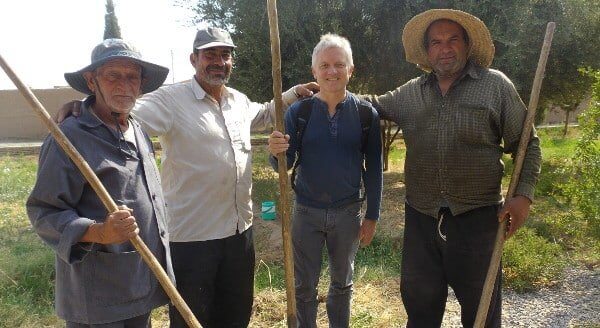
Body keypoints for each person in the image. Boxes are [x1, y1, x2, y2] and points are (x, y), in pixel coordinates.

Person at [57, 27, 318, 328]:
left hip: (238, 234)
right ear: (193, 59)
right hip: (191, 240)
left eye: (225, 55)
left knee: (236, 314)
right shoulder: (170, 100)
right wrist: (85, 106)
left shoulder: (238, 101)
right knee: (191, 319)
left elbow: (266, 113)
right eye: (210, 54)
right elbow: (123, 111)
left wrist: (294, 93)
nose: (219, 62)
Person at [363, 9, 542, 328]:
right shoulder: (411, 93)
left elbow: (528, 144)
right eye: (435, 42)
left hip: (478, 220)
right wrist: (329, 92)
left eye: (453, 40)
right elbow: (370, 107)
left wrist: (523, 197)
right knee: (420, 310)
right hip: (421, 219)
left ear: (467, 45)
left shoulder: (495, 86)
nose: (444, 48)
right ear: (427, 52)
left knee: (482, 315)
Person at [27, 39, 173, 327]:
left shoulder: (137, 129)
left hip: (138, 278)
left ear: (142, 84)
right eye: (113, 76)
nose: (124, 85)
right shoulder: (69, 138)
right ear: (91, 81)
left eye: (132, 77)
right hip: (98, 294)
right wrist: (98, 232)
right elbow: (44, 211)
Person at [267, 34, 383, 328]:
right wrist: (276, 152)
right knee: (304, 287)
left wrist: (371, 215)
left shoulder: (366, 114)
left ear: (350, 70)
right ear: (315, 71)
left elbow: (373, 170)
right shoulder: (299, 112)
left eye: (339, 65)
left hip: (347, 213)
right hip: (306, 213)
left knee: (342, 283)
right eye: (325, 65)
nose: (332, 71)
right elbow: (285, 163)